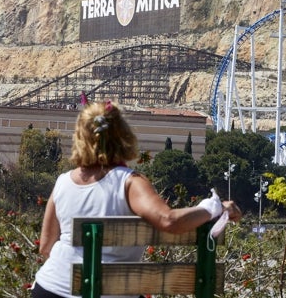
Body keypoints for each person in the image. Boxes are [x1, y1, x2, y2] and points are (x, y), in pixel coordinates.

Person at [32, 100, 242, 298]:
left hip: (49, 288)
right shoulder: (129, 182)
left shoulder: (62, 182)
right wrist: (214, 207)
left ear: (79, 139)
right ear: (124, 136)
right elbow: (169, 220)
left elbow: (46, 248)